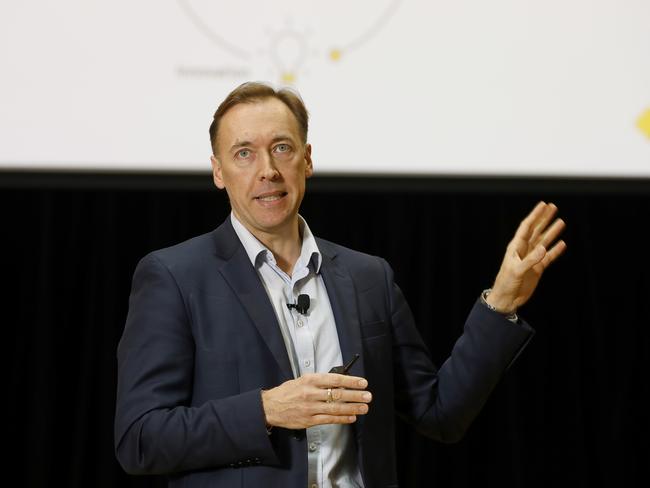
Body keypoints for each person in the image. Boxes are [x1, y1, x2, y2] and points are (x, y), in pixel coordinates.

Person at [114, 82, 566, 487]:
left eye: (283, 148)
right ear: (218, 172)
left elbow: (439, 414)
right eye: (244, 153)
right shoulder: (175, 276)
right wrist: (267, 410)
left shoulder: (369, 277)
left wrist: (501, 301)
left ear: (307, 159)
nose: (267, 169)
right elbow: (140, 440)